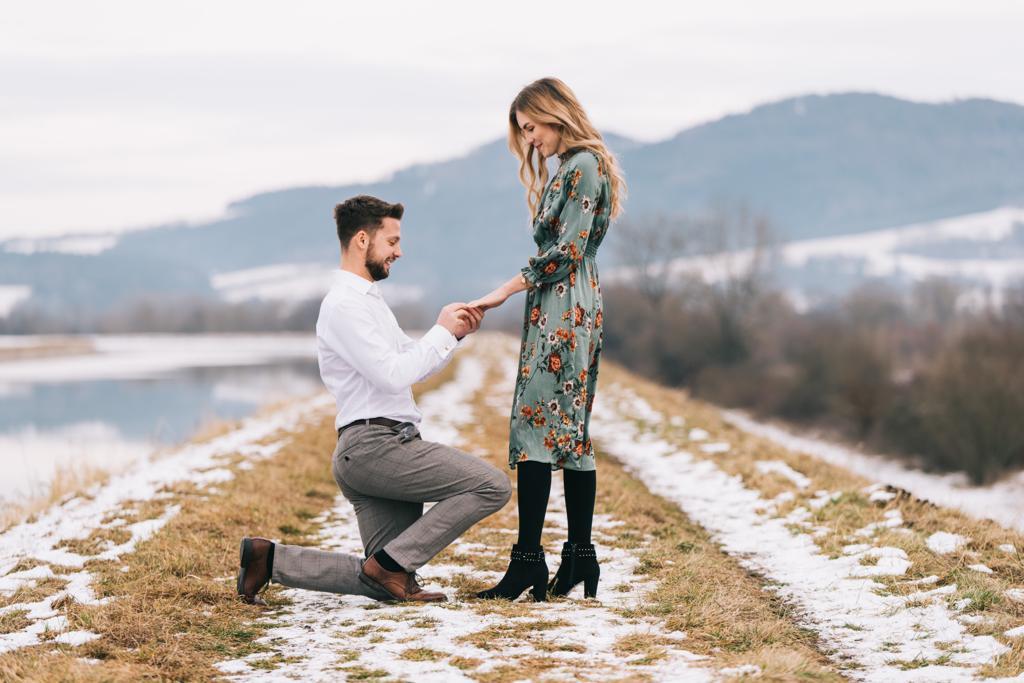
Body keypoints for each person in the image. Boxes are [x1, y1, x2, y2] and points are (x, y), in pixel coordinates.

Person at [237, 194, 511, 605]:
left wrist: (451, 332)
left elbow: (408, 363)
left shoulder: (368, 302)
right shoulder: (344, 306)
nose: (399, 252)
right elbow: (392, 373)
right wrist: (440, 332)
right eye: (393, 241)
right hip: (375, 447)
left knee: (382, 578)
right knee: (492, 486)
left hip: (382, 444)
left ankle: (268, 560)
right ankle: (390, 566)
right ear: (362, 240)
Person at [468, 78, 626, 601]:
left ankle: (527, 563)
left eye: (531, 128)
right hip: (568, 305)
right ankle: (580, 557)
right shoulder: (579, 165)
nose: (530, 140)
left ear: (554, 114)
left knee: (537, 426)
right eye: (524, 132)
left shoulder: (582, 166)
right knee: (570, 433)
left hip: (564, 305)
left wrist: (503, 291)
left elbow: (566, 251)